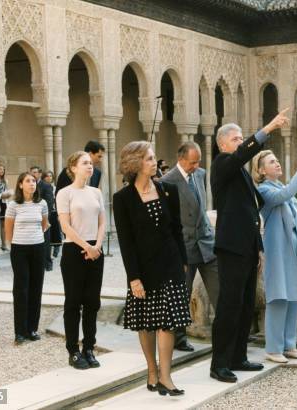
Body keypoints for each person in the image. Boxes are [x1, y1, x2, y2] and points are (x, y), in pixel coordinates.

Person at [209, 108, 291, 384]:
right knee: (229, 306)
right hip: (231, 247)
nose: (240, 142)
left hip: (247, 248)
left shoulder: (241, 174)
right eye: (236, 139)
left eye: (241, 138)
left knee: (245, 306)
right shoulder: (222, 164)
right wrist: (268, 128)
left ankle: (237, 357)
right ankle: (219, 363)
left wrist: (258, 248)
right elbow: (244, 153)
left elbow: (253, 210)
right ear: (223, 144)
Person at [113, 141, 190, 396]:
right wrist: (134, 278)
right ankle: (151, 370)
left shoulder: (168, 190)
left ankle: (166, 376)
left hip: (170, 265)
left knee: (168, 322)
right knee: (146, 323)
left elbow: (177, 230)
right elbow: (126, 242)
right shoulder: (122, 199)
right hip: (143, 270)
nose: (154, 163)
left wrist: (183, 262)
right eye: (148, 159)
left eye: (153, 158)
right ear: (135, 164)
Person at [252, 149, 297, 363]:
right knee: (278, 297)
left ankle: (289, 345)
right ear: (261, 170)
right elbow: (285, 195)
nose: (277, 163)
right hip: (277, 250)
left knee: (293, 296)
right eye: (272, 162)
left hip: (292, 249)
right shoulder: (264, 191)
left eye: (277, 159)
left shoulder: (279, 186)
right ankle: (273, 348)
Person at [161, 141, 219, 352]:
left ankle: (227, 335)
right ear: (181, 159)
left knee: (220, 291)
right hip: (183, 248)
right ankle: (179, 338)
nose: (196, 165)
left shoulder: (200, 174)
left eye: (198, 161)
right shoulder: (167, 182)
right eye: (193, 162)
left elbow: (201, 210)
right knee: (181, 295)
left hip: (206, 243)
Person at [56, 151, 105, 370]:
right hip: (74, 249)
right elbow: (65, 226)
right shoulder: (65, 193)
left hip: (96, 249)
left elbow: (103, 221)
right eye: (84, 163)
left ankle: (89, 347)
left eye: (90, 163)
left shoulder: (96, 192)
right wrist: (86, 247)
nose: (89, 166)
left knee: (92, 302)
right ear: (73, 167)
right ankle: (73, 350)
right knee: (74, 302)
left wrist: (97, 247)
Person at [4, 172, 49, 345]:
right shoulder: (14, 204)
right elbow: (8, 229)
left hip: (38, 248)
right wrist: (12, 246)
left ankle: (32, 329)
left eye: (34, 181)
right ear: (21, 184)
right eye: (28, 181)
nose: (32, 184)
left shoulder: (42, 203)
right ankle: (20, 332)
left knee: (36, 288)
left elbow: (44, 225)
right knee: (21, 289)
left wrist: (34, 237)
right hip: (19, 249)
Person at [31, 166, 56, 271]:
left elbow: (50, 203)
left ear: (40, 174)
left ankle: (48, 263)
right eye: (32, 172)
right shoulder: (29, 185)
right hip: (32, 218)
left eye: (35, 172)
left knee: (46, 240)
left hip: (43, 217)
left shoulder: (46, 186)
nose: (33, 174)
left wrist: (46, 218)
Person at [43, 171, 62, 258]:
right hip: (45, 212)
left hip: (54, 211)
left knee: (56, 230)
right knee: (47, 231)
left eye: (50, 176)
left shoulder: (55, 188)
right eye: (47, 176)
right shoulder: (42, 187)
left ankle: (57, 247)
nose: (49, 178)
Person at [0, 164, 12, 251]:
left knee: (4, 224)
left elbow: (8, 192)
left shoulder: (5, 181)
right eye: (0, 169)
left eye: (3, 169)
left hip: (3, 203)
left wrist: (8, 195)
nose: (1, 171)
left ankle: (4, 244)